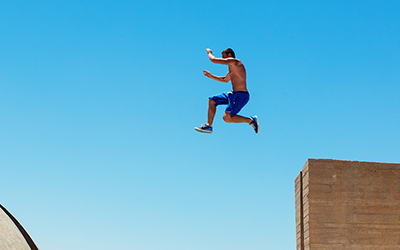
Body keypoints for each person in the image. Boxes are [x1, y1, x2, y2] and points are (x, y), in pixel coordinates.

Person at [195, 48, 259, 134]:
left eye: (223, 57)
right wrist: (211, 76)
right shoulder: (232, 69)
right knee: (212, 100)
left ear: (229, 55)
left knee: (227, 118)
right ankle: (208, 126)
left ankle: (251, 120)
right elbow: (225, 79)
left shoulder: (235, 62)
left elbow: (213, 60)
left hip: (241, 95)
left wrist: (209, 52)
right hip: (233, 94)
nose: (223, 59)